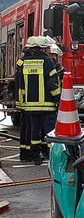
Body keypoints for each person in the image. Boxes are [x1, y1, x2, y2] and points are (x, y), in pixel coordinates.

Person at [21, 36, 61, 165]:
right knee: (49, 131)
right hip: (47, 104)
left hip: (31, 105)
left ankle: (36, 156)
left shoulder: (26, 62)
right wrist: (58, 98)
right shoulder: (47, 61)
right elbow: (52, 83)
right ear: (43, 48)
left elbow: (22, 83)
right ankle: (52, 156)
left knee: (34, 131)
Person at [14, 45, 33, 161]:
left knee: (24, 127)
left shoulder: (20, 63)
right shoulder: (31, 63)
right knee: (31, 127)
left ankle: (23, 152)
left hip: (21, 100)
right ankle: (29, 152)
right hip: (30, 100)